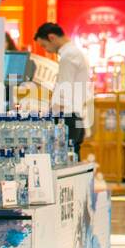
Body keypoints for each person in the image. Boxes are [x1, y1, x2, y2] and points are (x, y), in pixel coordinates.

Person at [36, 23, 89, 154]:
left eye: (44, 45)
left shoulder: (69, 56)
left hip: (67, 117)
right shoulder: (73, 53)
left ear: (52, 37)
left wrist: (50, 115)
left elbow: (64, 90)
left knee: (64, 159)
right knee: (72, 157)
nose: (46, 50)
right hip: (74, 115)